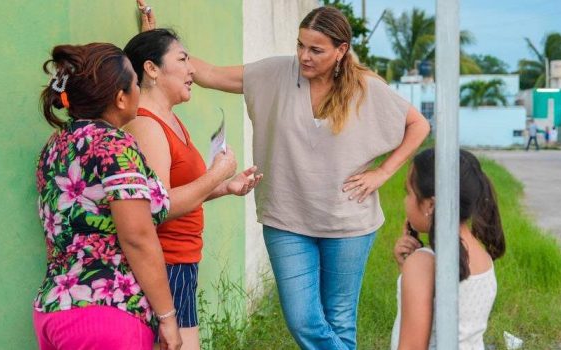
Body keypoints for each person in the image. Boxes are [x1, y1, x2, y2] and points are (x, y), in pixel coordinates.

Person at [139, 4, 430, 349]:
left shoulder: (365, 88)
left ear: (341, 50)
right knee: (303, 319)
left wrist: (382, 172)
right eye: (300, 45)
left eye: (316, 50)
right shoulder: (275, 73)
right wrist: (152, 43)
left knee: (339, 320)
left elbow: (418, 124)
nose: (304, 56)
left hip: (349, 221)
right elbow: (211, 73)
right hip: (286, 219)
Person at [33, 43, 181, 350]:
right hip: (107, 314)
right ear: (121, 97)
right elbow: (137, 237)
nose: (139, 90)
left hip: (53, 311)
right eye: (136, 83)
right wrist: (167, 316)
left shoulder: (55, 145)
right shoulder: (114, 145)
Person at [123, 25, 261, 349]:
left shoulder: (170, 120)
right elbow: (160, 206)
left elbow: (180, 191)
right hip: (165, 262)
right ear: (152, 69)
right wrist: (216, 174)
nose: (192, 70)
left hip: (181, 261)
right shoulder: (146, 125)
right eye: (183, 59)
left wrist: (226, 186)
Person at [391, 149, 505, 349]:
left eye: (408, 193)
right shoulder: (481, 254)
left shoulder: (423, 264)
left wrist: (413, 267)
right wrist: (406, 268)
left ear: (431, 205)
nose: (405, 201)